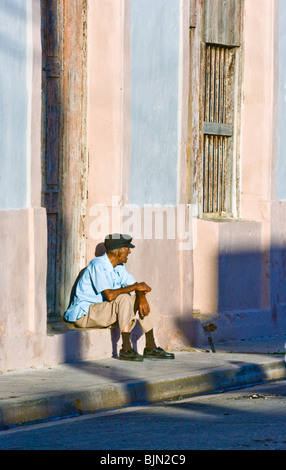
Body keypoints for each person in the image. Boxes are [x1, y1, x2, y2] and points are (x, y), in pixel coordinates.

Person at [64, 233, 175, 361]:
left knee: (139, 297)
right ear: (119, 251)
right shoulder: (98, 265)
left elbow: (137, 286)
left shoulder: (119, 267)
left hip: (104, 311)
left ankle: (150, 346)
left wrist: (141, 295)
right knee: (124, 297)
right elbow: (110, 295)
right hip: (85, 314)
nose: (129, 252)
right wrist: (136, 287)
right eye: (127, 248)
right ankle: (126, 348)